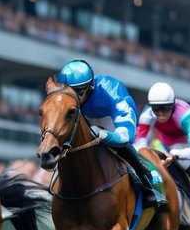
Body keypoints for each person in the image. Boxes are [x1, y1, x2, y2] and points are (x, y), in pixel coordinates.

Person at [55, 59, 165, 208]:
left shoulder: (112, 89)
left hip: (113, 125)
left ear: (89, 87)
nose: (72, 98)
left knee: (122, 148)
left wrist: (103, 134)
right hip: (86, 122)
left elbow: (126, 135)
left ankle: (147, 186)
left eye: (77, 93)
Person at [136, 82, 190, 224]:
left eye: (164, 108)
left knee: (183, 162)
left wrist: (176, 154)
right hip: (163, 142)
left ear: (172, 105)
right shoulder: (147, 113)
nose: (160, 113)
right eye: (156, 108)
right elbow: (139, 141)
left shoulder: (183, 115)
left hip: (185, 143)